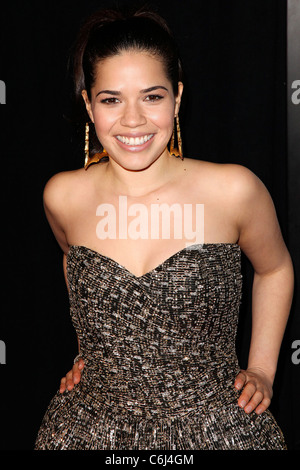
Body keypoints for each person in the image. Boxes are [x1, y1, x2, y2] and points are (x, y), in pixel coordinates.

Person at [34, 6, 294, 450]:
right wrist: (89, 348)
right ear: (88, 104)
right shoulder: (63, 196)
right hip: (85, 431)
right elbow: (72, 264)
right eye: (111, 99)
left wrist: (263, 370)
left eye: (151, 97)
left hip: (216, 430)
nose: (132, 119)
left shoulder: (233, 189)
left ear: (176, 99)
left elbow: (274, 269)